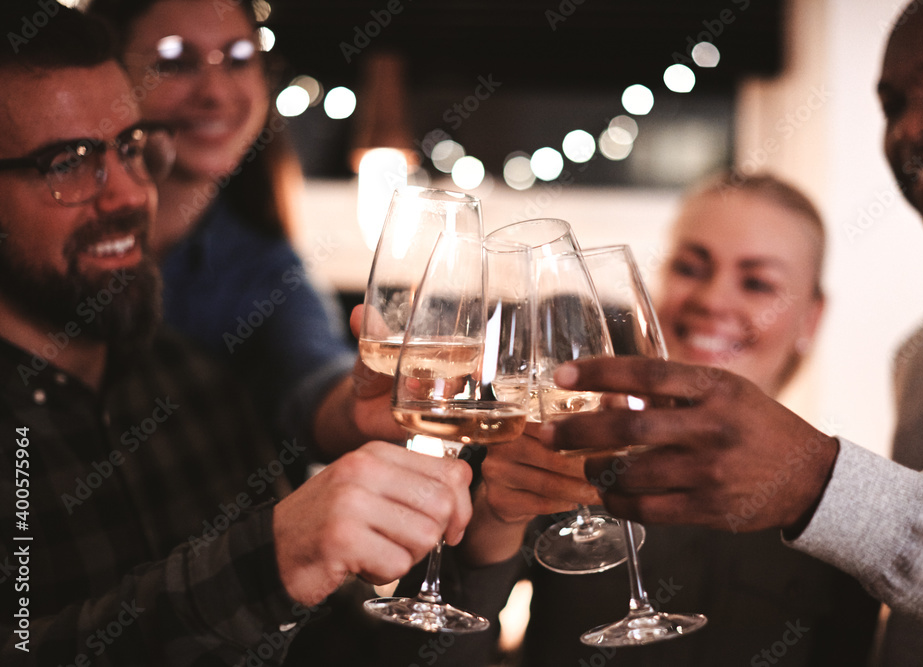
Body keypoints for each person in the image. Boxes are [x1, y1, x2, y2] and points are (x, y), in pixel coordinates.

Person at [0, 7, 471, 663]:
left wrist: (494, 526)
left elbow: (343, 645)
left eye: (131, 148)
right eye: (66, 163)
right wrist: (270, 559)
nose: (127, 195)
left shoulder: (198, 378)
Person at [540, 0, 923, 660]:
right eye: (891, 104)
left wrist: (820, 483)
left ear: (812, 318)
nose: (912, 128)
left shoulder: (817, 527)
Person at [436, 173, 877, 666]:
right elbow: (429, 655)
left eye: (756, 283)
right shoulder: (556, 455)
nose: (711, 301)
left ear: (811, 320)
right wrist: (494, 523)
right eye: (691, 267)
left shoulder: (839, 519)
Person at [86, 0, 401, 474]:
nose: (216, 91)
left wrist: (360, 406)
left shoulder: (256, 259)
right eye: (175, 62)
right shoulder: (53, 246)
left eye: (237, 59)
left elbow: (309, 376)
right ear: (105, 77)